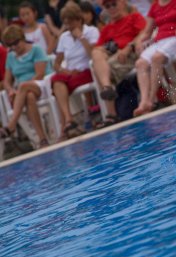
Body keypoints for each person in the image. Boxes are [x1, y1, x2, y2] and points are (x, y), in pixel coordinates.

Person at [133, 0, 176, 116]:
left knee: (157, 58)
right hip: (160, 41)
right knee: (140, 63)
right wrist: (140, 41)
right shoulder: (155, 6)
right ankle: (144, 101)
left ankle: (151, 100)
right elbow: (147, 31)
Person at [91, 0, 146, 127]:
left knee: (99, 70)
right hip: (113, 59)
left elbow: (144, 32)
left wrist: (128, 47)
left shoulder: (134, 17)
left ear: (122, 3)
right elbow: (98, 48)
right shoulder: (107, 28)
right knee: (96, 54)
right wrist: (105, 50)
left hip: (130, 55)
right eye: (107, 6)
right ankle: (107, 87)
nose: (111, 8)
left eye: (113, 4)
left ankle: (111, 113)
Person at [51, 2, 100, 139]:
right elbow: (56, 64)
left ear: (79, 20)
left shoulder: (91, 31)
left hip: (87, 70)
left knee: (60, 82)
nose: (69, 26)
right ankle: (68, 120)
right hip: (71, 74)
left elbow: (93, 55)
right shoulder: (64, 37)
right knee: (56, 79)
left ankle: (71, 122)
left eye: (71, 22)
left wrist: (81, 38)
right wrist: (65, 71)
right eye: (66, 23)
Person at [0, 25, 52, 148]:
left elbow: (40, 74)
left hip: (42, 84)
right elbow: (6, 81)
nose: (13, 47)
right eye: (10, 45)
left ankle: (11, 125)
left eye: (15, 43)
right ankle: (42, 139)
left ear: (22, 38)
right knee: (29, 97)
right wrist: (10, 90)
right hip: (25, 92)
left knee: (24, 87)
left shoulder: (36, 50)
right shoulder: (11, 56)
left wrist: (20, 90)